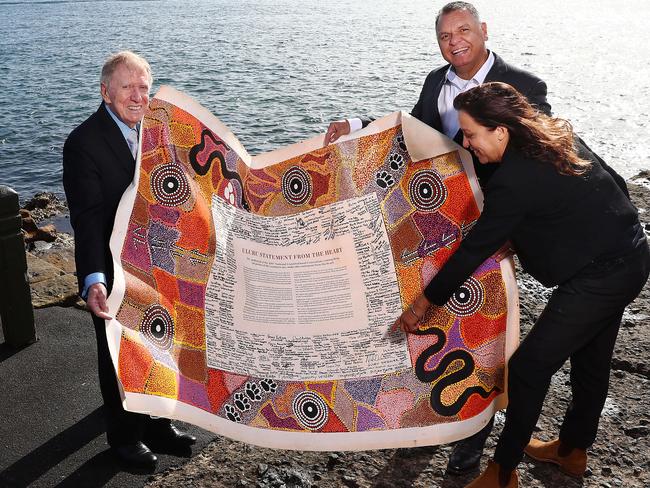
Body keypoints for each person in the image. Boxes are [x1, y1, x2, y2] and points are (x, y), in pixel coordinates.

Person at [325, 1, 552, 474]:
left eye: (463, 31)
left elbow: (543, 161)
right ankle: (428, 427)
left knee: (483, 339)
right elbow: (409, 133)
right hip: (439, 231)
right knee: (429, 331)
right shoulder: (435, 82)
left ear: (484, 31)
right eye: (446, 36)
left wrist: (520, 229)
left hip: (496, 235)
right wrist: (357, 125)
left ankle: (468, 449)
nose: (455, 42)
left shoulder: (527, 87)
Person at [394, 82, 649, 488]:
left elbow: (474, 248)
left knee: (528, 367)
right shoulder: (556, 136)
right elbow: (616, 183)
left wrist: (423, 303)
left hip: (604, 274)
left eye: (472, 133)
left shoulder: (514, 179)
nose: (465, 141)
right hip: (633, 254)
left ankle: (502, 472)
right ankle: (572, 452)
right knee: (591, 363)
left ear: (501, 131)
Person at [63, 51, 196, 470]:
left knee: (160, 345)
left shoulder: (158, 132)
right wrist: (94, 280)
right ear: (105, 91)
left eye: (144, 87)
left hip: (157, 263)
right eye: (127, 87)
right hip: (113, 267)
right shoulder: (83, 144)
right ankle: (123, 437)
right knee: (119, 353)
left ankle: (157, 424)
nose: (138, 96)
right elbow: (85, 221)